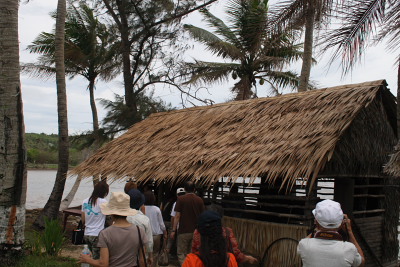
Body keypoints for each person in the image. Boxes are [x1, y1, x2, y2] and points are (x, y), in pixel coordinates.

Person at [79, 192, 148, 267]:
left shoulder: (105, 234)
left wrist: (87, 260)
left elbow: (103, 264)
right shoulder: (139, 231)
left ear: (111, 213)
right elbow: (142, 261)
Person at [297, 199, 365, 267]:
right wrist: (349, 231)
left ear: (316, 222)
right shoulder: (349, 248)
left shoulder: (305, 245)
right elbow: (361, 262)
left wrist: (316, 228)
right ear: (341, 223)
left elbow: (302, 245)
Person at [191, 218, 257, 264]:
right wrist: (246, 258)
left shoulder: (198, 232)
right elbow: (235, 252)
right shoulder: (227, 231)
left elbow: (194, 250)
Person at [170, 181, 205, 265]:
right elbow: (202, 216)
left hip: (183, 230)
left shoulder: (181, 199)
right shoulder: (199, 200)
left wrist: (173, 230)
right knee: (192, 253)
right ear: (194, 189)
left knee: (181, 253)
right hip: (196, 231)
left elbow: (177, 216)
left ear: (185, 189)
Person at [81, 180, 109, 260]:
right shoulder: (103, 202)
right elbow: (109, 217)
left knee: (92, 258)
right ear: (104, 192)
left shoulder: (85, 201)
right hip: (97, 234)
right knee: (98, 260)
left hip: (87, 234)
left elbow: (83, 220)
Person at [127, 188, 154, 266]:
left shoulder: (122, 217)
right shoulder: (144, 220)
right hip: (140, 256)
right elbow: (149, 241)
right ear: (141, 203)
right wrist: (150, 256)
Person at [145, 191, 168, 267]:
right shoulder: (157, 209)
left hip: (145, 235)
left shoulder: (142, 209)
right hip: (156, 235)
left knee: (146, 253)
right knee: (155, 253)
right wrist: (165, 232)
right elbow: (161, 224)